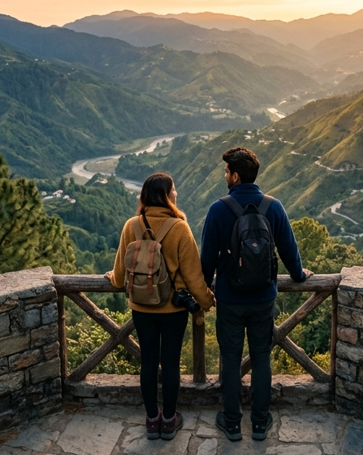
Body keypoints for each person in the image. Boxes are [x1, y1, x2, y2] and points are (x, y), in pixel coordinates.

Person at [201, 147, 312, 442]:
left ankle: (232, 422)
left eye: (226, 172)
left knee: (230, 357)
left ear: (235, 176)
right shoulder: (273, 207)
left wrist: (203, 291)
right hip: (263, 298)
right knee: (261, 358)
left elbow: (207, 260)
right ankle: (261, 423)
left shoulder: (218, 209)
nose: (225, 176)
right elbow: (289, 250)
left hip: (229, 298)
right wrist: (300, 276)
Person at [107, 172, 215, 441]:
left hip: (141, 308)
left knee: (148, 363)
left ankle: (151, 418)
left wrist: (111, 277)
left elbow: (120, 276)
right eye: (173, 189)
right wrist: (206, 301)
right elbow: (193, 275)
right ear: (167, 196)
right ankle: (169, 421)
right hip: (173, 309)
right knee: (170, 364)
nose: (176, 193)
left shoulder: (131, 226)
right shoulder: (180, 228)